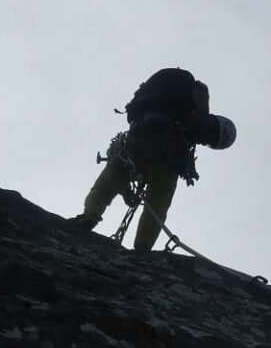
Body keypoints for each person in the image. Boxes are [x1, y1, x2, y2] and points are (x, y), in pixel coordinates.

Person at [72, 68, 236, 250]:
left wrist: (126, 191)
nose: (207, 140)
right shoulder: (200, 109)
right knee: (159, 200)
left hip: (136, 141)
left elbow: (117, 177)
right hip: (165, 152)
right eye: (211, 138)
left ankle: (90, 215)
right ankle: (143, 246)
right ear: (214, 122)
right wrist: (202, 109)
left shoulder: (171, 102)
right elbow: (199, 89)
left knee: (111, 177)